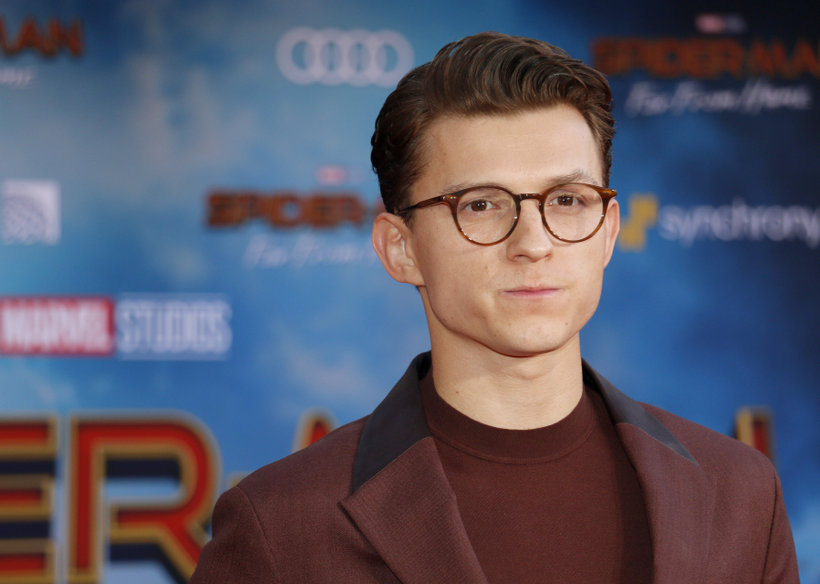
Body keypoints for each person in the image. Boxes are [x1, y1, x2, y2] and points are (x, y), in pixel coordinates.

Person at [190, 32, 798, 583]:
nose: (533, 242)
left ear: (609, 231)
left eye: (567, 200)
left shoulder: (740, 496)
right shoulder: (283, 526)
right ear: (401, 249)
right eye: (480, 205)